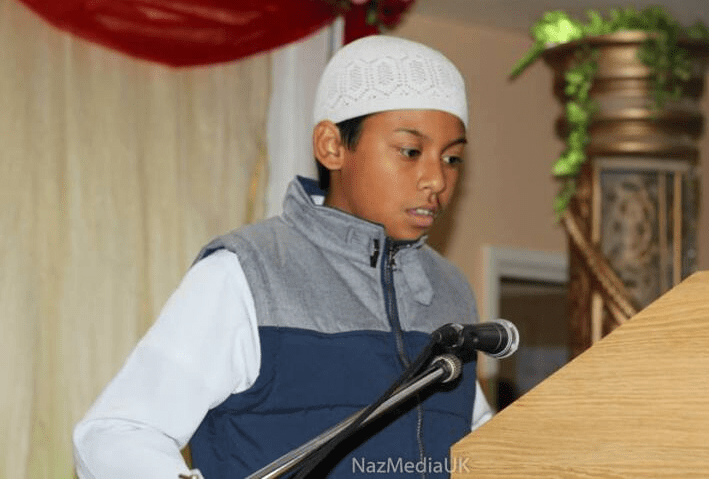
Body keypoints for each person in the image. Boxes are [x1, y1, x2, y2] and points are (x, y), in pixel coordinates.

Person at [73, 35, 493, 479]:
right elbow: (116, 433)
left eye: (452, 158)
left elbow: (477, 438)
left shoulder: (451, 290)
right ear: (332, 146)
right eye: (411, 152)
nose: (436, 179)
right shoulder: (246, 273)